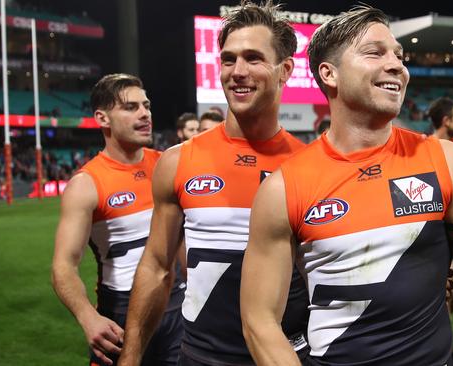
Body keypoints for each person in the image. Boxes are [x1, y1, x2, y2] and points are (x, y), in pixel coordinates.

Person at [240, 6, 453, 365]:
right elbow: (259, 320)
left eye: (399, 56)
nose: (397, 66)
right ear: (329, 74)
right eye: (375, 52)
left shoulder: (447, 161)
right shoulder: (283, 188)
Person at [117, 2, 309, 365]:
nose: (237, 71)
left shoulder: (310, 165)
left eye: (253, 58)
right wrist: (130, 356)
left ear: (285, 70)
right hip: (200, 357)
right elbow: (157, 266)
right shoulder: (178, 160)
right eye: (228, 59)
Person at [51, 74, 185, 366]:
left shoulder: (168, 165)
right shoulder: (86, 184)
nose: (144, 113)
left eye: (146, 105)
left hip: (178, 306)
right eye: (130, 107)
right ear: (102, 118)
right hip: (123, 314)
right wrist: (89, 318)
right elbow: (63, 266)